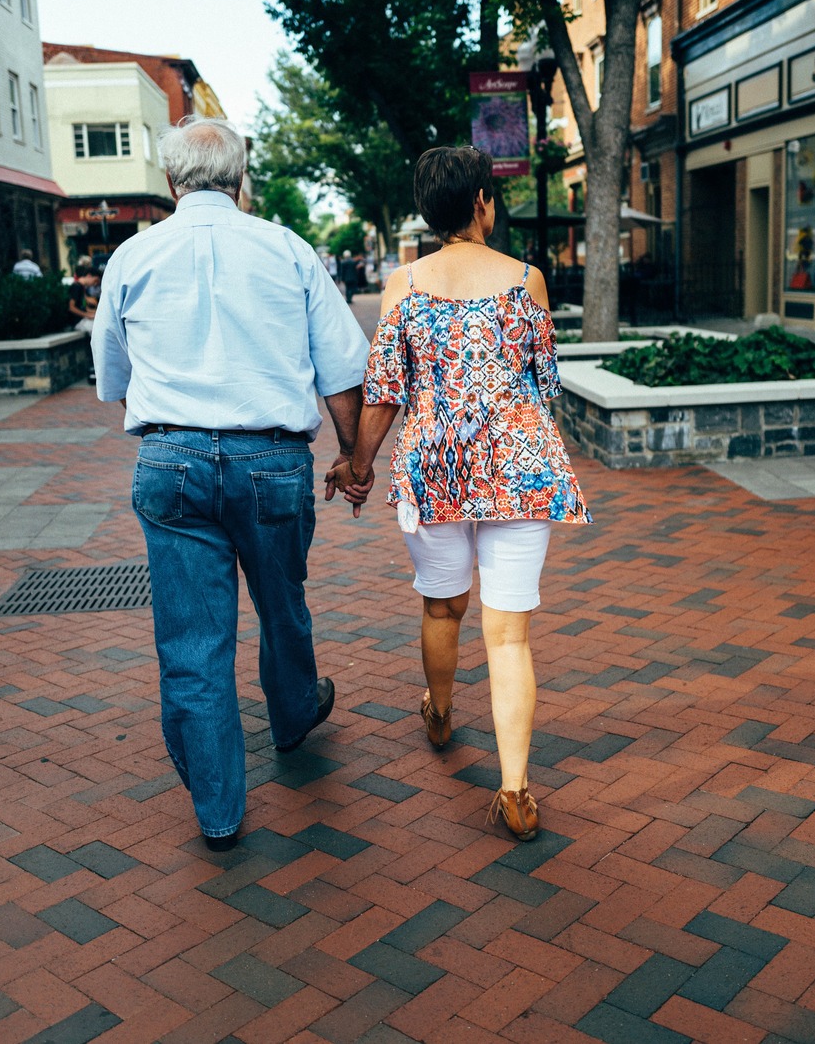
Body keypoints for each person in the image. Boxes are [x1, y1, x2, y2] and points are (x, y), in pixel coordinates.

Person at [93, 115, 369, 853]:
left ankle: (218, 812)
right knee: (283, 603)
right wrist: (355, 457)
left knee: (193, 640)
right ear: (242, 180)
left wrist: (170, 433)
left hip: (170, 461)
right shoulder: (287, 249)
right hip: (272, 461)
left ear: (169, 182)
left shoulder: (131, 256)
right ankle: (290, 718)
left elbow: (116, 378)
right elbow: (343, 370)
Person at [328, 145, 590, 842]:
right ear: (482, 202)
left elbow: (384, 391)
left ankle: (440, 713)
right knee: (509, 635)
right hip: (519, 469)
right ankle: (515, 789)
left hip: (435, 471)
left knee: (443, 607)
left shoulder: (403, 284)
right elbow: (546, 383)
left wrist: (357, 463)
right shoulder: (527, 279)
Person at [68, 263, 100, 332]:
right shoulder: (76, 286)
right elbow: (71, 307)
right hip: (78, 321)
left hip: (82, 319)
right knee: (98, 330)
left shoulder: (82, 288)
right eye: (95, 281)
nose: (94, 284)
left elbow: (83, 307)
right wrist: (87, 315)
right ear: (89, 276)